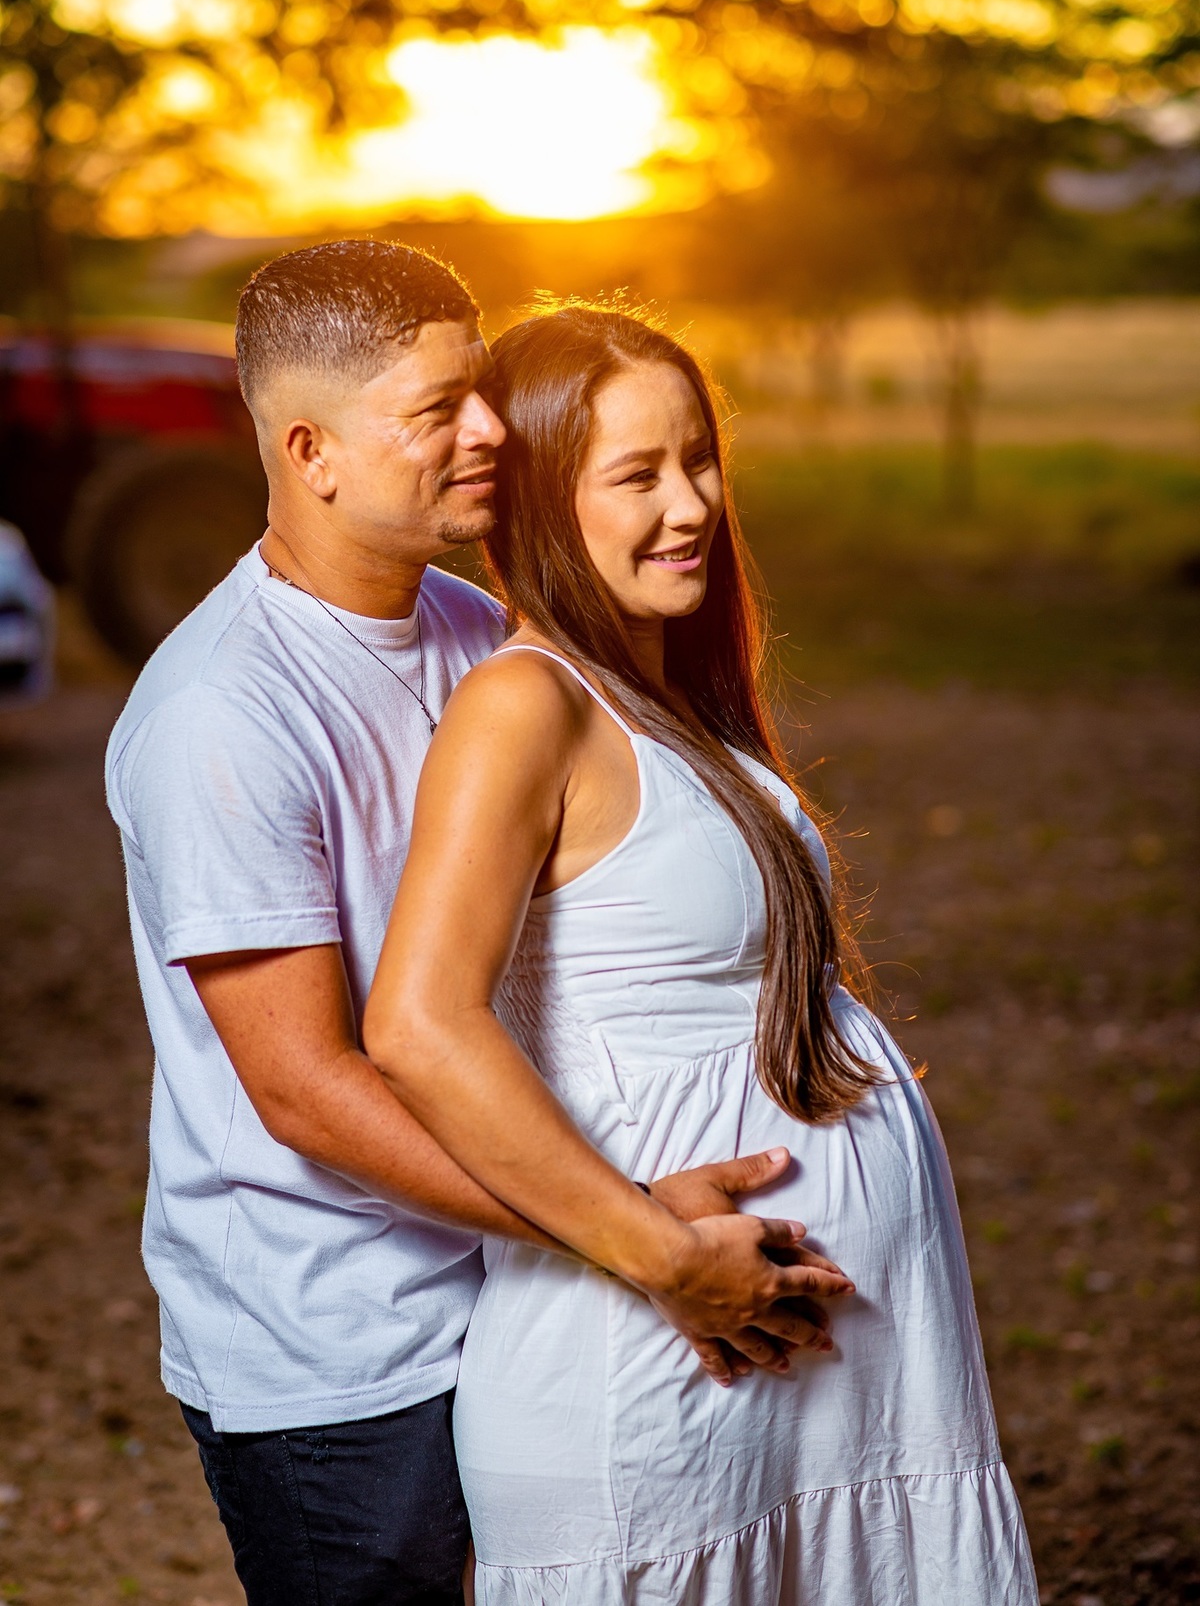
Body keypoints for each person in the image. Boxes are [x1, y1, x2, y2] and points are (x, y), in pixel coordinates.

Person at [105, 243, 855, 1606]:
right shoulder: (221, 712)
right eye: (439, 407)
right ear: (312, 450)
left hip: (529, 1283)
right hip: (339, 1340)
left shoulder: (477, 635)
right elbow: (309, 1086)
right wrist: (632, 1234)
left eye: (485, 391)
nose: (493, 430)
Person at [361, 303, 1039, 1604]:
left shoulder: (665, 698)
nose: (691, 505)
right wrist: (669, 1259)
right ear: (545, 504)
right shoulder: (524, 703)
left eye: (698, 458)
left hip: (816, 1403)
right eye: (636, 475)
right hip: (658, 1373)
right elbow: (420, 1024)